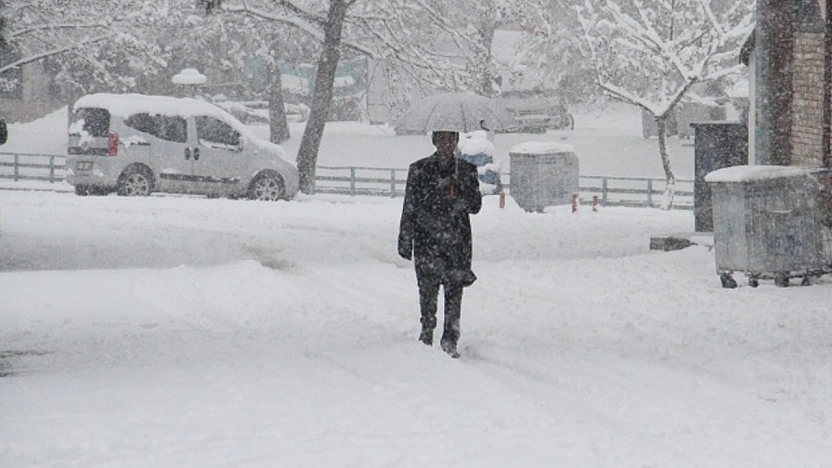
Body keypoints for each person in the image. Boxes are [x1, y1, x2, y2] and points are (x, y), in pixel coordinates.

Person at [398, 130, 482, 358]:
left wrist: (461, 188)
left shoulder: (466, 170)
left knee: (454, 291)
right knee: (427, 288)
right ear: (434, 141)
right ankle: (427, 329)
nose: (447, 143)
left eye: (451, 138)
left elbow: (475, 206)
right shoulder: (419, 169)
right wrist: (405, 239)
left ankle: (450, 338)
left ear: (456, 141)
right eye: (442, 138)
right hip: (427, 238)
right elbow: (410, 205)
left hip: (456, 241)